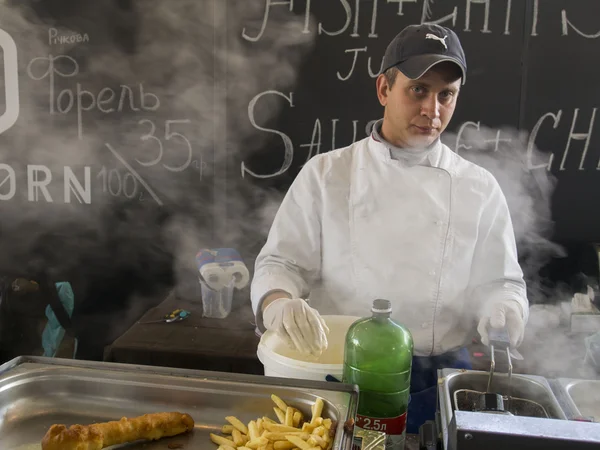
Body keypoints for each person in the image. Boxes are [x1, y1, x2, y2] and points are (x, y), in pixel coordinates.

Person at [250, 23, 529, 433]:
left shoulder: (478, 187)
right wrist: (278, 303)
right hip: (340, 371)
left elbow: (503, 282)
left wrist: (505, 309)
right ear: (384, 89)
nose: (432, 111)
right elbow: (280, 263)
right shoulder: (327, 174)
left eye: (446, 95)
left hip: (438, 378)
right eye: (418, 89)